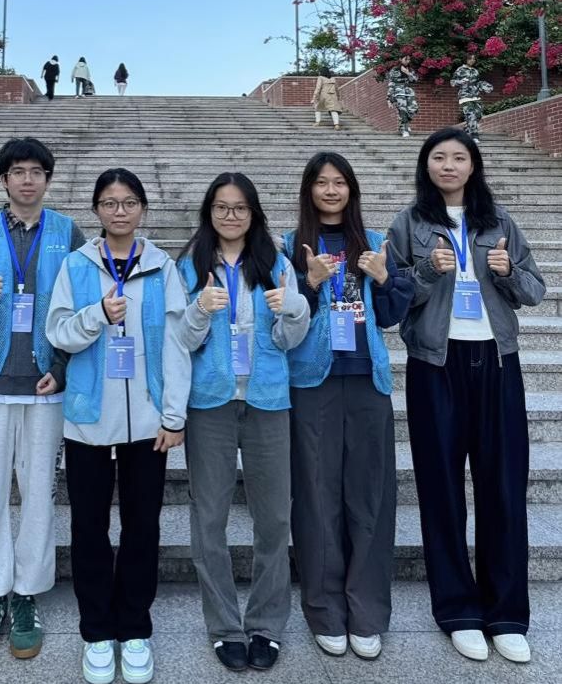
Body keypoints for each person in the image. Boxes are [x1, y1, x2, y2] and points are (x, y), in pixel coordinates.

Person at [387, 127, 546, 665]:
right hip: (435, 364)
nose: (449, 165)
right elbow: (393, 297)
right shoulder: (409, 224)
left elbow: (534, 290)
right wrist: (426, 271)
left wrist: (507, 271)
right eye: (439, 157)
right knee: (441, 489)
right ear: (426, 166)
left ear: (473, 166)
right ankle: (458, 610)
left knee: (504, 486)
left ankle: (507, 614)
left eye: (459, 157)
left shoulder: (498, 221)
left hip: (497, 363)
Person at [0, 137, 85, 661]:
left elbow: (82, 308)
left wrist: (62, 369)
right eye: (18, 171)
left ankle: (27, 594)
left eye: (36, 172)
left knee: (38, 495)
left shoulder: (68, 232)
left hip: (44, 388)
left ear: (48, 178)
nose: (27, 180)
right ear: (4, 179)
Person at [47, 169, 190, 684]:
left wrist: (174, 416)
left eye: (129, 202)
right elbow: (58, 332)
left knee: (142, 525)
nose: (120, 211)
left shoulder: (162, 267)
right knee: (88, 526)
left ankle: (134, 626)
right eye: (109, 203)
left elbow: (177, 343)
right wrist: (96, 316)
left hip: (148, 423)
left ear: (143, 208)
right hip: (87, 418)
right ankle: (95, 630)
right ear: (96, 211)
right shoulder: (76, 264)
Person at [283, 152, 413, 660]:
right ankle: (324, 610)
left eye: (340, 182)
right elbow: (283, 319)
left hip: (366, 381)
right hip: (312, 383)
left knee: (370, 496)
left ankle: (367, 611)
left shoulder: (375, 242)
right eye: (322, 182)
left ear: (352, 190)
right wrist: (309, 282)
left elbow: (390, 314)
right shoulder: (288, 246)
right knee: (316, 497)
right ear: (309, 191)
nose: (331, 190)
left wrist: (384, 278)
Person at [178, 172, 309, 672]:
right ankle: (224, 627)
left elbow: (289, 339)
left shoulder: (275, 263)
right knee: (208, 518)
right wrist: (199, 310)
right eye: (221, 207)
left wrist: (293, 308)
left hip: (267, 399)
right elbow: (181, 341)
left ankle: (266, 625)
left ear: (253, 213)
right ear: (208, 212)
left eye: (239, 208)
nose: (230, 216)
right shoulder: (190, 264)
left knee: (273, 518)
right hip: (210, 402)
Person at [450, 54, 493, 142]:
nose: (472, 60)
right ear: (466, 59)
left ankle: (467, 129)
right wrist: (461, 81)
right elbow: (452, 82)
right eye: (470, 58)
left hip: (475, 96)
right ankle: (474, 136)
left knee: (478, 115)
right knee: (471, 115)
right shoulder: (460, 70)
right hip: (465, 96)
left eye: (474, 59)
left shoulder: (475, 71)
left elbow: (477, 83)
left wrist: (485, 86)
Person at [386, 55, 419, 138]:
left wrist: (408, 73)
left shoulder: (410, 70)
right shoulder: (394, 70)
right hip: (399, 92)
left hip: (408, 91)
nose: (408, 61)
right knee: (403, 110)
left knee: (414, 109)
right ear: (400, 59)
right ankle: (405, 130)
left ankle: (403, 124)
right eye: (406, 59)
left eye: (409, 59)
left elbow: (415, 80)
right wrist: (389, 99)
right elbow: (391, 84)